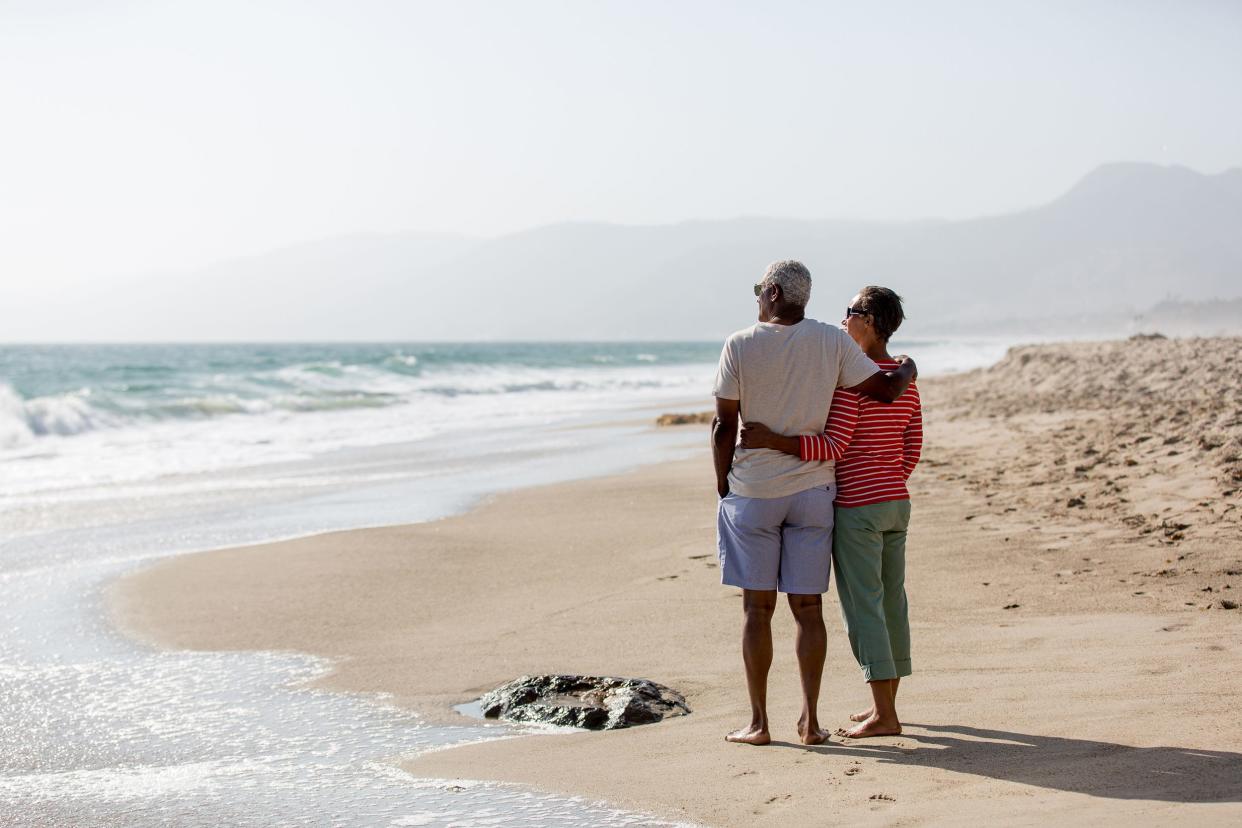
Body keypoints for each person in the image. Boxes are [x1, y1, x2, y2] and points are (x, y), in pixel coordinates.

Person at [712, 262, 916, 746]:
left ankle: (760, 724)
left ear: (774, 292)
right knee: (809, 609)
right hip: (814, 493)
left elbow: (724, 425)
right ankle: (810, 722)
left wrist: (723, 483)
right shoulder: (832, 341)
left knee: (756, 610)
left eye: (759, 289)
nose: (758, 297)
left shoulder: (740, 343)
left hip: (755, 490)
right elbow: (887, 391)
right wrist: (908, 366)